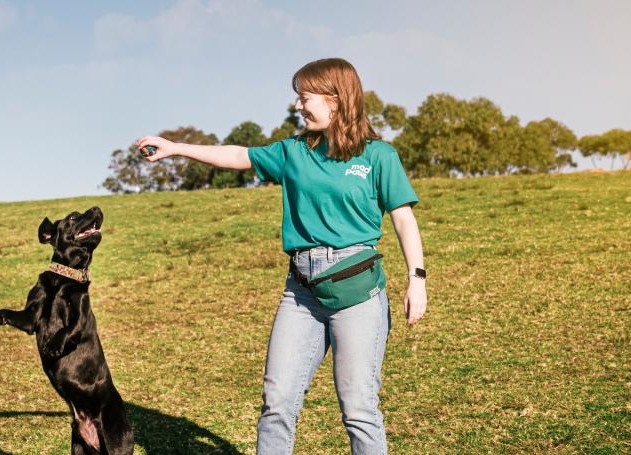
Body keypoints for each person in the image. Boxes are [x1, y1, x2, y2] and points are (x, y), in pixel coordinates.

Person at [136, 58, 427, 455]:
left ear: (336, 100)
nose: (298, 107)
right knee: (277, 404)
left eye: (304, 98)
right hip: (301, 293)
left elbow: (403, 219)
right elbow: (238, 156)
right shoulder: (293, 152)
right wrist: (176, 149)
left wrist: (417, 279)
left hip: (358, 295)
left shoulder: (377, 156)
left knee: (359, 409)